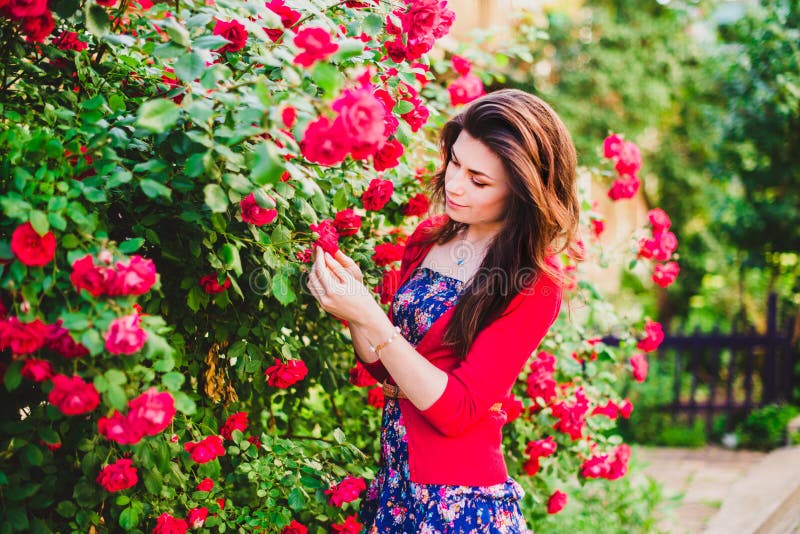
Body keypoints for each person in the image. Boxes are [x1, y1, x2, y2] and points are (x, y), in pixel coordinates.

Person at [306, 88, 581, 533]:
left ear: (524, 190)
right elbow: (388, 371)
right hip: (398, 481)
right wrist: (356, 308)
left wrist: (374, 317)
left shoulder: (534, 285)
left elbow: (460, 410)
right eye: (455, 162)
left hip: (458, 499)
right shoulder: (428, 239)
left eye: (479, 179)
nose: (454, 184)